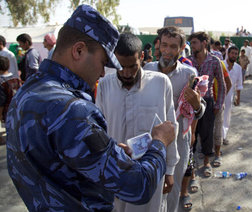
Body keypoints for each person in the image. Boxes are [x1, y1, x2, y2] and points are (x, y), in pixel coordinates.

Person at [6, 5, 175, 211]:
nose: (103, 74)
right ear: (78, 51)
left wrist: (112, 155)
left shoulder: (26, 93)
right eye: (103, 62)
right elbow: (138, 186)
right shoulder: (72, 110)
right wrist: (159, 142)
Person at [96, 33, 179, 212]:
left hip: (151, 171)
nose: (126, 73)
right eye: (120, 66)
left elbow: (170, 128)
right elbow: (99, 131)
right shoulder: (104, 86)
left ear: (141, 57)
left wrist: (170, 170)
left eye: (132, 66)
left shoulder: (160, 83)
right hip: (115, 173)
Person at [144, 26, 205, 212]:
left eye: (172, 46)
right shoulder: (147, 70)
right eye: (164, 45)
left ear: (181, 48)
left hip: (179, 142)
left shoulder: (189, 75)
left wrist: (196, 104)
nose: (167, 51)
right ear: (158, 45)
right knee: (150, 188)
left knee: (172, 189)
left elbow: (200, 111)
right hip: (151, 140)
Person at [188, 32, 226, 178]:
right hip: (191, 103)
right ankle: (190, 169)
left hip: (208, 103)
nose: (192, 46)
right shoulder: (188, 61)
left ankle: (206, 162)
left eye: (195, 43)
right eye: (191, 43)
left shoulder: (214, 61)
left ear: (204, 43)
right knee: (191, 136)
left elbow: (222, 85)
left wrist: (218, 104)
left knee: (207, 133)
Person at [223, 46, 243, 144]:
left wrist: (238, 98)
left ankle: (223, 137)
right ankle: (214, 138)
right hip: (218, 95)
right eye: (232, 53)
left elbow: (239, 84)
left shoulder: (238, 68)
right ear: (228, 53)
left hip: (229, 97)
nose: (234, 55)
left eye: (236, 54)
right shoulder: (221, 65)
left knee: (226, 117)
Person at [0, 56, 22, 126]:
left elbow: (1, 102)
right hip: (18, 109)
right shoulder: (16, 79)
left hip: (7, 111)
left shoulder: (1, 82)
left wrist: (0, 115)